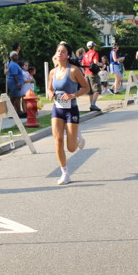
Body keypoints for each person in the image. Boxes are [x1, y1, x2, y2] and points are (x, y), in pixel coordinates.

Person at [46, 41, 89, 185]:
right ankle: (65, 173)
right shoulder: (53, 72)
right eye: (58, 51)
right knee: (58, 141)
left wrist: (73, 95)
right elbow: (49, 88)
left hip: (71, 109)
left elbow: (86, 88)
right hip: (57, 109)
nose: (59, 53)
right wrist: (50, 93)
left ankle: (77, 137)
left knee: (71, 148)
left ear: (68, 55)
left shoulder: (74, 70)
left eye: (63, 51)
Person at [81, 41, 103, 112]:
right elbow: (95, 62)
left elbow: (82, 64)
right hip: (93, 73)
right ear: (93, 46)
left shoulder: (85, 54)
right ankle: (93, 105)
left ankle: (91, 105)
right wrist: (100, 64)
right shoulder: (94, 53)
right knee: (96, 89)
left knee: (90, 91)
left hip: (86, 73)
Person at [6, 50, 25, 116]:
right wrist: (18, 83)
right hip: (14, 83)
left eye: (17, 55)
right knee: (17, 97)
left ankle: (11, 111)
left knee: (13, 97)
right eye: (14, 56)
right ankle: (19, 111)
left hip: (15, 83)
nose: (16, 57)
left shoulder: (14, 64)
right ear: (11, 57)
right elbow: (15, 75)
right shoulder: (13, 65)